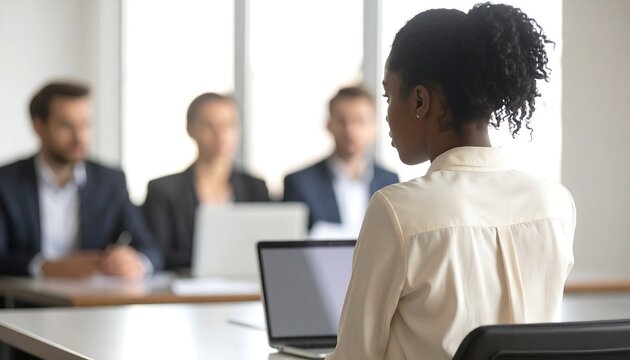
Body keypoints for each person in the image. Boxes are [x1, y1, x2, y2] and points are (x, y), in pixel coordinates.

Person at [328, 3, 576, 360]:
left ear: (419, 100)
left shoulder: (397, 210)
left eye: (387, 96)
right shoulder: (556, 204)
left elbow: (355, 356)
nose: (385, 115)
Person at [0, 82, 162, 278]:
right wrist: (45, 267)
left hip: (91, 300)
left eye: (85, 125)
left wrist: (136, 263)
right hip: (22, 303)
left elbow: (150, 249)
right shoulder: (6, 182)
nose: (80, 138)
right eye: (66, 126)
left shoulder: (111, 181)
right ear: (38, 126)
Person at [143, 93, 269, 271]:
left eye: (228, 125)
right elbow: (158, 253)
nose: (221, 135)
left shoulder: (255, 188)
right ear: (190, 129)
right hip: (182, 288)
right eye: (209, 126)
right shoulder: (163, 190)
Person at [283, 86, 398, 238]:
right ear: (329, 124)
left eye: (360, 121)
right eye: (342, 121)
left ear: (374, 127)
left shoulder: (390, 182)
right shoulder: (299, 183)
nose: (350, 130)